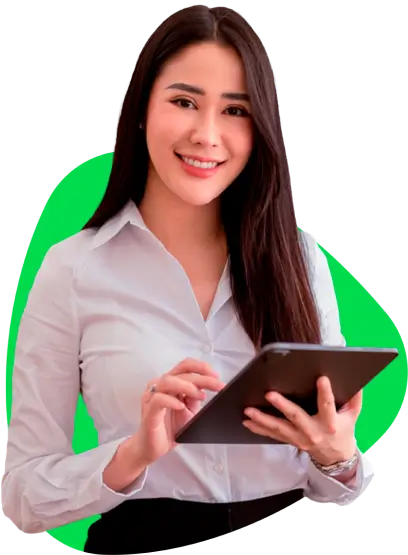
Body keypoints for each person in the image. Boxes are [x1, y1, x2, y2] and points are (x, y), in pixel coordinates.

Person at [1, 4, 375, 552]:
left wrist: (336, 454)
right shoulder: (73, 270)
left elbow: (342, 487)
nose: (207, 135)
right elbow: (19, 495)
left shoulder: (301, 260)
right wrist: (133, 455)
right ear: (140, 110)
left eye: (236, 111)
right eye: (183, 102)